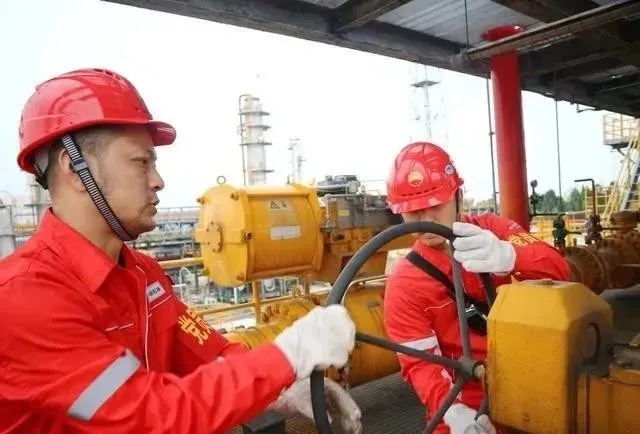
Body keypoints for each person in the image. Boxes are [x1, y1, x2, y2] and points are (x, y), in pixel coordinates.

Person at [0, 68, 362, 434]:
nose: (158, 181)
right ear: (74, 168)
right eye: (141, 162)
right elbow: (149, 417)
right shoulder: (24, 298)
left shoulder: (143, 275)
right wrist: (288, 355)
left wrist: (283, 388)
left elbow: (211, 355)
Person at [382, 142, 570, 434]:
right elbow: (420, 364)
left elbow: (559, 269)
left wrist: (509, 255)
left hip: (529, 390)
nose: (426, 220)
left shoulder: (494, 230)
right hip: (464, 406)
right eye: (414, 211)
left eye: (436, 204)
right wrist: (455, 414)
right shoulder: (405, 284)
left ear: (457, 196)